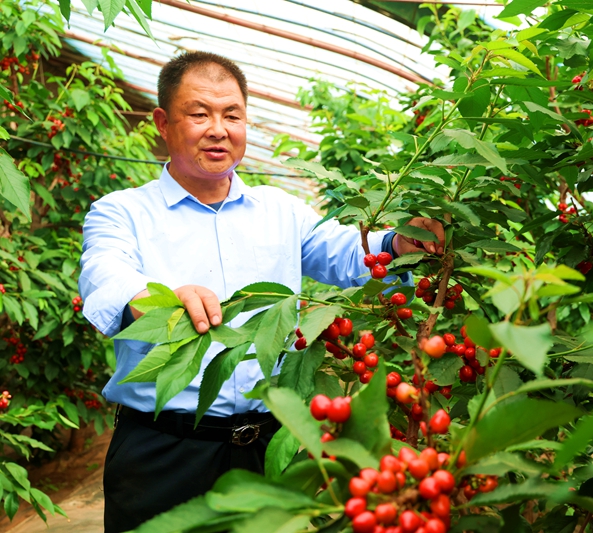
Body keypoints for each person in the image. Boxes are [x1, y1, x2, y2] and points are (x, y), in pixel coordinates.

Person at [78, 51, 444, 533]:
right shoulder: (121, 212)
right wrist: (160, 299)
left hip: (267, 448)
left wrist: (398, 243)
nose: (218, 129)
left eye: (232, 115)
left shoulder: (281, 211)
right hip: (163, 453)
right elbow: (105, 273)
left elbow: (346, 252)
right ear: (163, 123)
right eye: (199, 114)